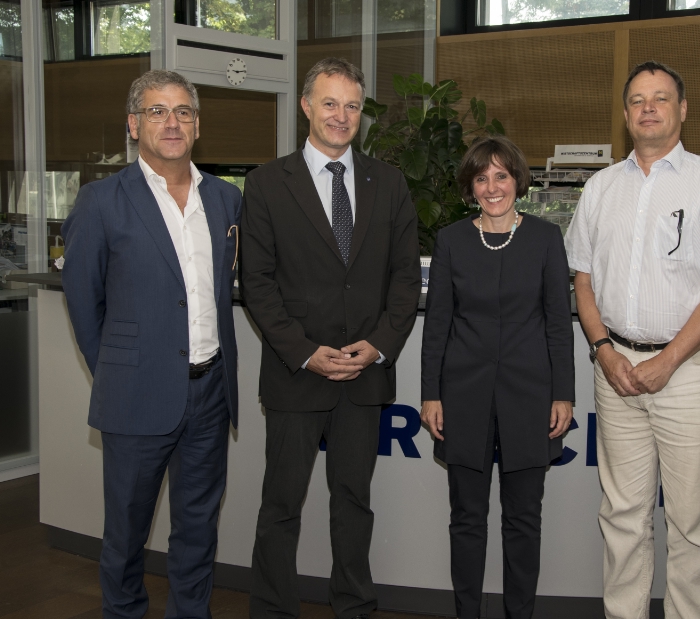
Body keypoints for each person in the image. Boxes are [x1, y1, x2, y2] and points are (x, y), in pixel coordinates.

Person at [564, 61, 700, 619]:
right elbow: (583, 280)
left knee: (691, 521)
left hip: (688, 371)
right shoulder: (601, 188)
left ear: (682, 109)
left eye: (660, 98)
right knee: (622, 514)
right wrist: (604, 350)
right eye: (637, 100)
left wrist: (668, 361)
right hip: (616, 370)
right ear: (626, 114)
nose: (648, 107)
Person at [241, 57, 421, 619]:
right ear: (305, 106)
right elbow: (257, 283)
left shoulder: (388, 183)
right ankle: (272, 610)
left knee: (354, 504)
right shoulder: (266, 184)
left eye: (352, 105)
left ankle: (355, 607)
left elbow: (405, 279)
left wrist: (379, 345)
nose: (341, 116)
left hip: (363, 376)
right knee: (280, 507)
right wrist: (303, 352)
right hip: (296, 375)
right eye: (329, 103)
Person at [61, 70, 242, 618]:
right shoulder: (100, 201)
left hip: (211, 393)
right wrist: (120, 372)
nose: (172, 122)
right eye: (157, 111)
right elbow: (84, 304)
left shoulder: (225, 199)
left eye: (183, 111)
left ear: (197, 125)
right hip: (136, 395)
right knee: (126, 534)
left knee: (198, 529)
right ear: (133, 124)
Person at [420, 135, 575, 619]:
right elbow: (437, 324)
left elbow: (558, 323)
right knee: (466, 520)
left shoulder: (546, 239)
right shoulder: (451, 241)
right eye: (482, 178)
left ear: (517, 181)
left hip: (530, 398)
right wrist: (430, 394)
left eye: (501, 176)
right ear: (470, 187)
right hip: (462, 398)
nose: (492, 187)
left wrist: (563, 394)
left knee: (523, 521)